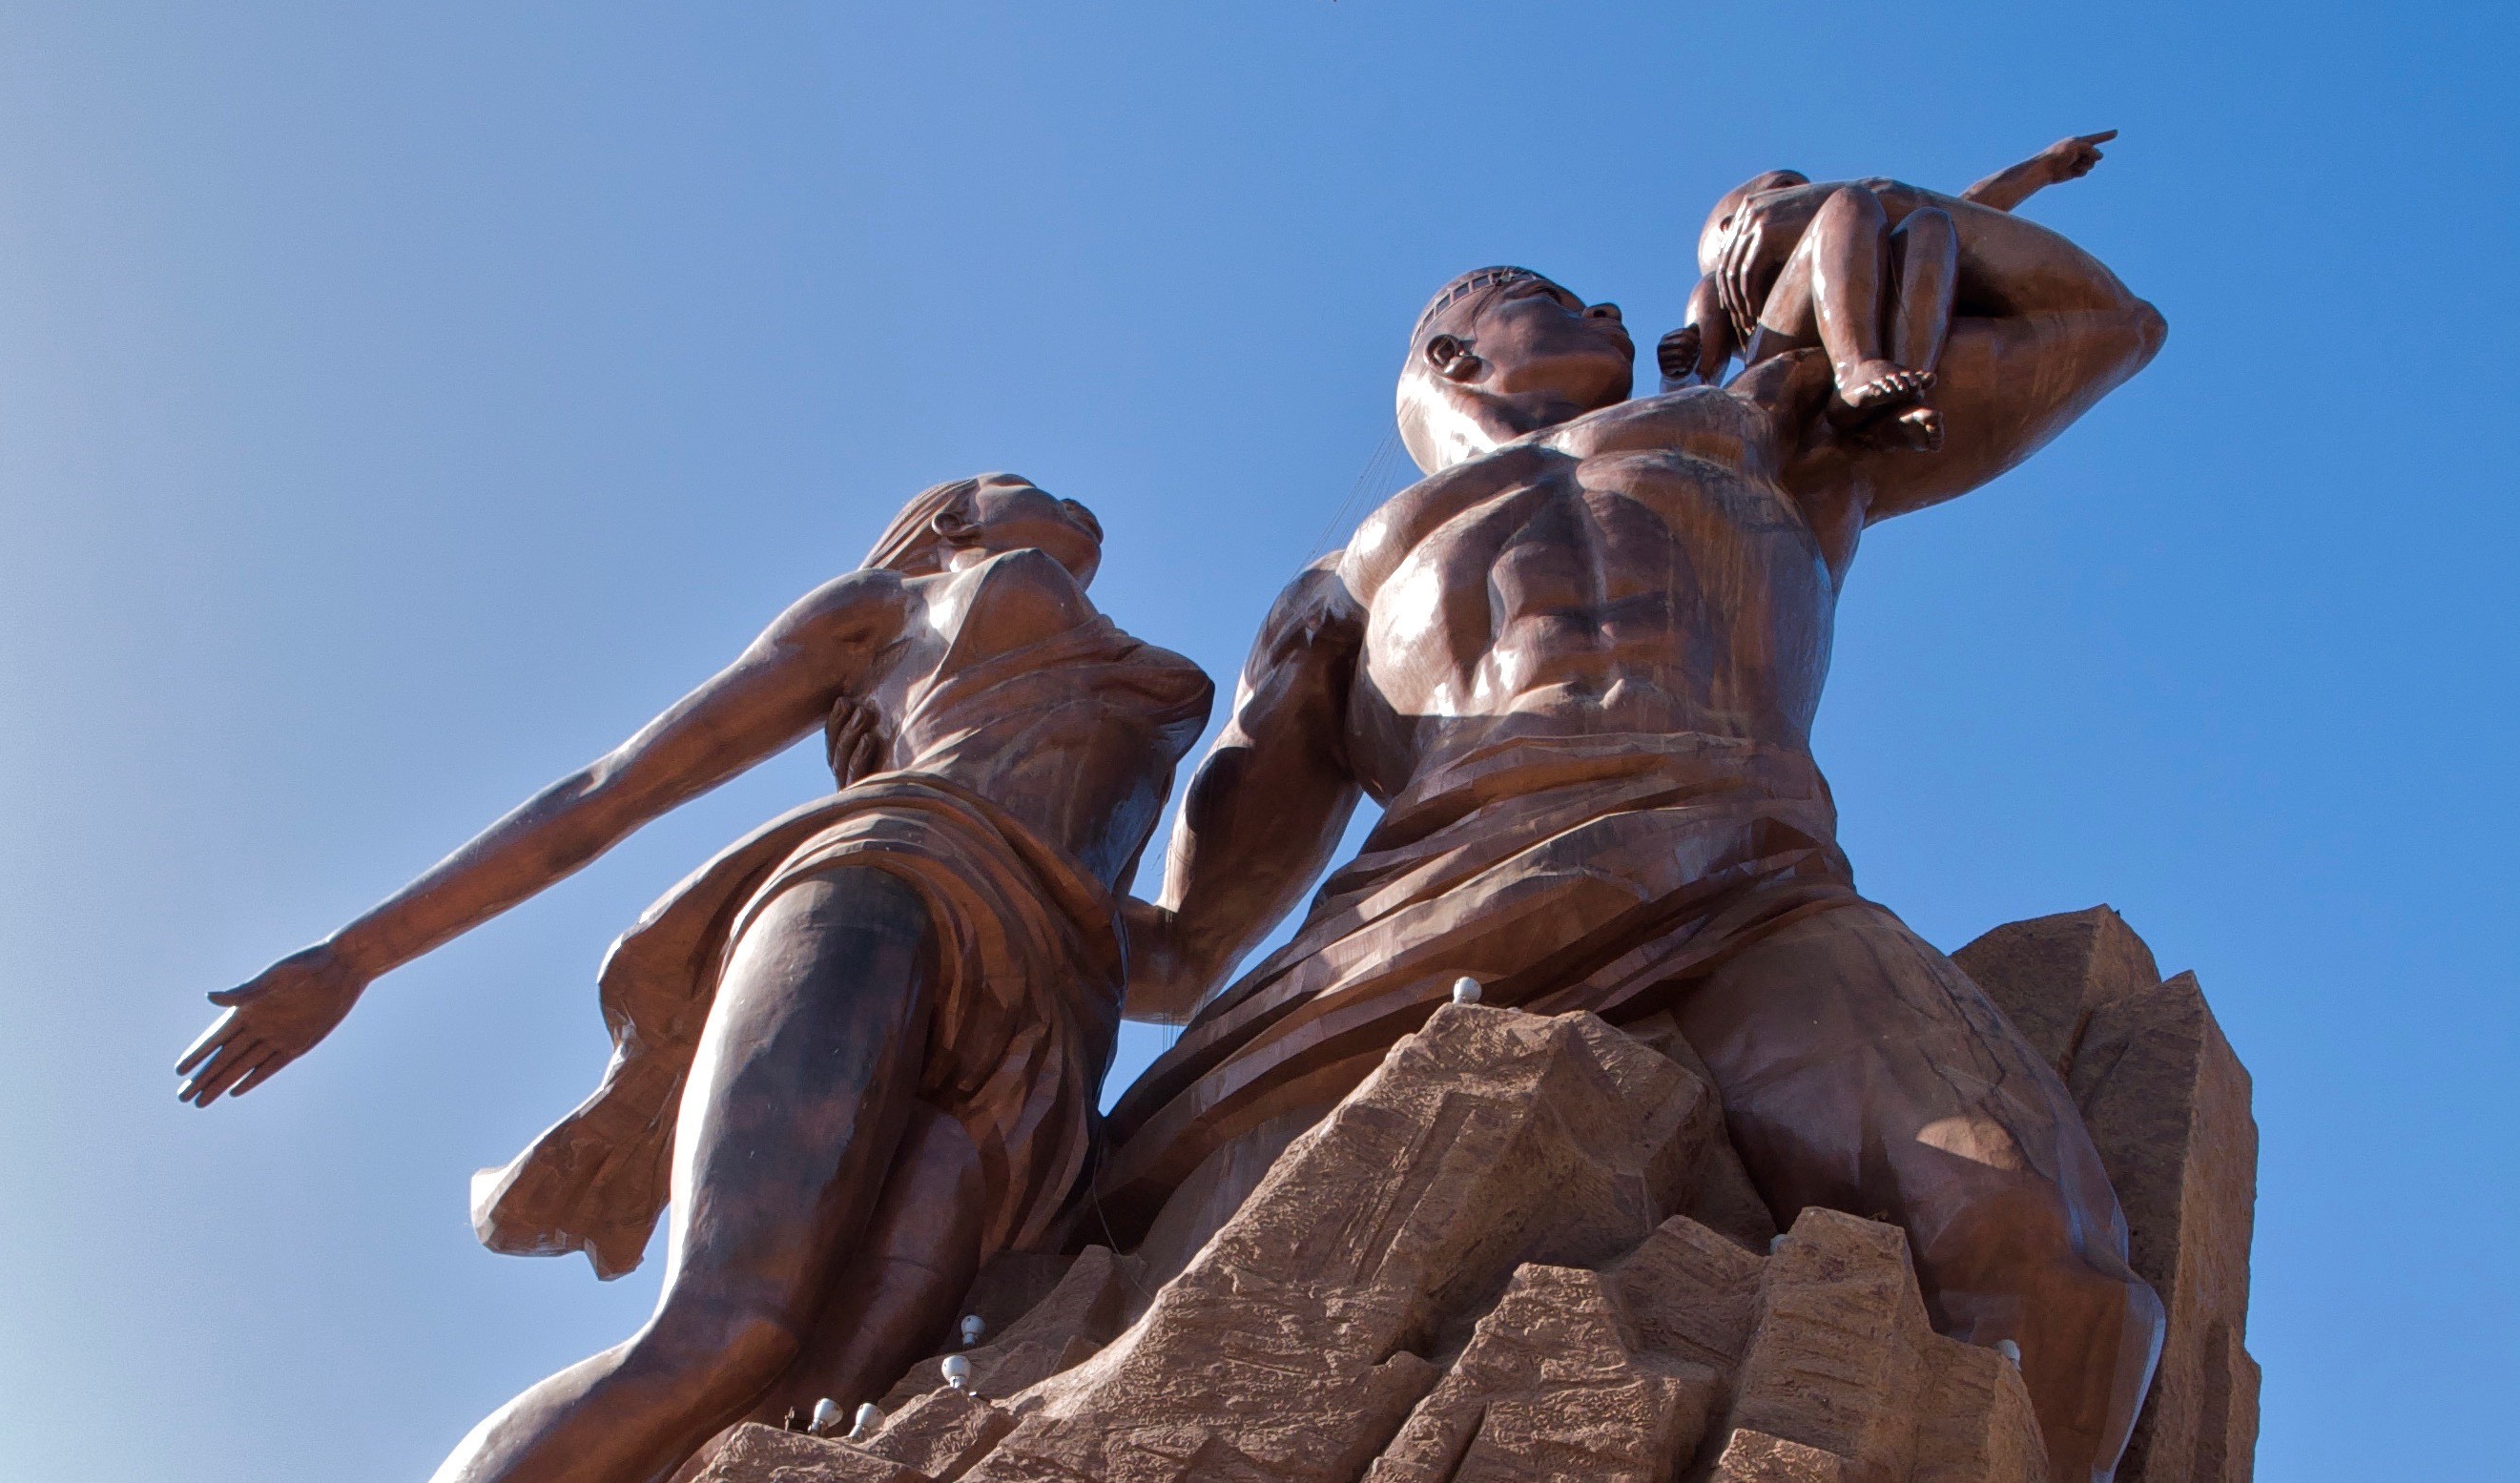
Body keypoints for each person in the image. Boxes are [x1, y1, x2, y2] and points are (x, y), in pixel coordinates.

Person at [1102, 156, 2166, 1481]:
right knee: (1218, 1316)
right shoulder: (1340, 584)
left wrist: (1910, 214)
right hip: (1413, 940)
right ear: (1455, 350)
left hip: (1751, 882)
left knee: (2043, 1254)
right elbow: (1177, 946)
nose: (1611, 307)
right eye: (1553, 296)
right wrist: (965, 845)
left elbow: (2105, 327)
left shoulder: (1756, 421)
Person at [176, 474, 1211, 1483]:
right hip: (884, 892)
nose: (1071, 503)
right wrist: (354, 956)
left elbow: (1172, 956)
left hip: (1047, 1022)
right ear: (952, 519)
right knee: (733, 1329)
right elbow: (606, 791)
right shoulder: (886, 608)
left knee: (827, 1403)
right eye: (1016, 481)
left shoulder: (1151, 677)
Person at [1658, 131, 2123, 450]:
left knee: (1933, 224)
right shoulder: (1718, 287)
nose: (1803, 194)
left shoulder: (1853, 242)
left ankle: (1897, 402)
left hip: (1868, 334)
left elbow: (1966, 211)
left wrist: (2041, 168)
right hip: (1779, 343)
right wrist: (1678, 364)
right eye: (1784, 189)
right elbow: (1693, 377)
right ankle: (1856, 366)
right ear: (1725, 228)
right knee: (1853, 202)